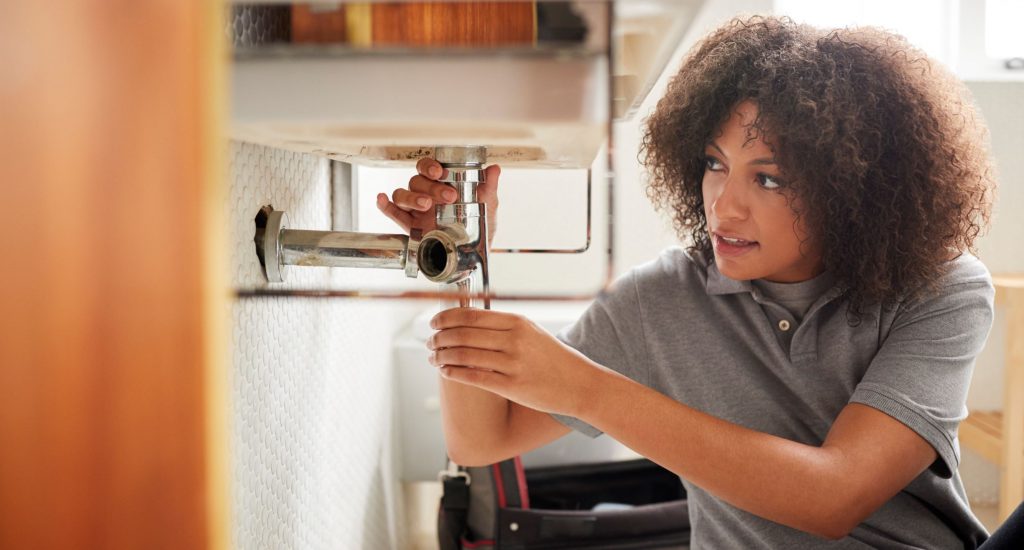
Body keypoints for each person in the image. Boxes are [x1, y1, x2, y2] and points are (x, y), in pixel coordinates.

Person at [377, 15, 999, 548]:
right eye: (714, 164)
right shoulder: (661, 298)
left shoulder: (941, 289)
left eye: (770, 178)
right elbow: (483, 438)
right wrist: (460, 257)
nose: (724, 207)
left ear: (853, 187)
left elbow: (832, 498)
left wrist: (587, 390)